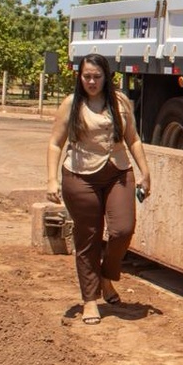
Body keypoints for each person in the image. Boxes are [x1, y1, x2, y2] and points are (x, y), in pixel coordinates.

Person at [46, 53, 151, 325]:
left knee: (122, 229)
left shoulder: (120, 102)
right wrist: (51, 179)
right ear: (79, 78)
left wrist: (145, 172)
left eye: (96, 76)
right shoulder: (71, 104)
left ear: (107, 77)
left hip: (117, 171)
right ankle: (90, 300)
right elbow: (55, 143)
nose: (91, 82)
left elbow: (134, 139)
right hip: (80, 175)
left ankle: (107, 276)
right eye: (86, 76)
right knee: (88, 239)